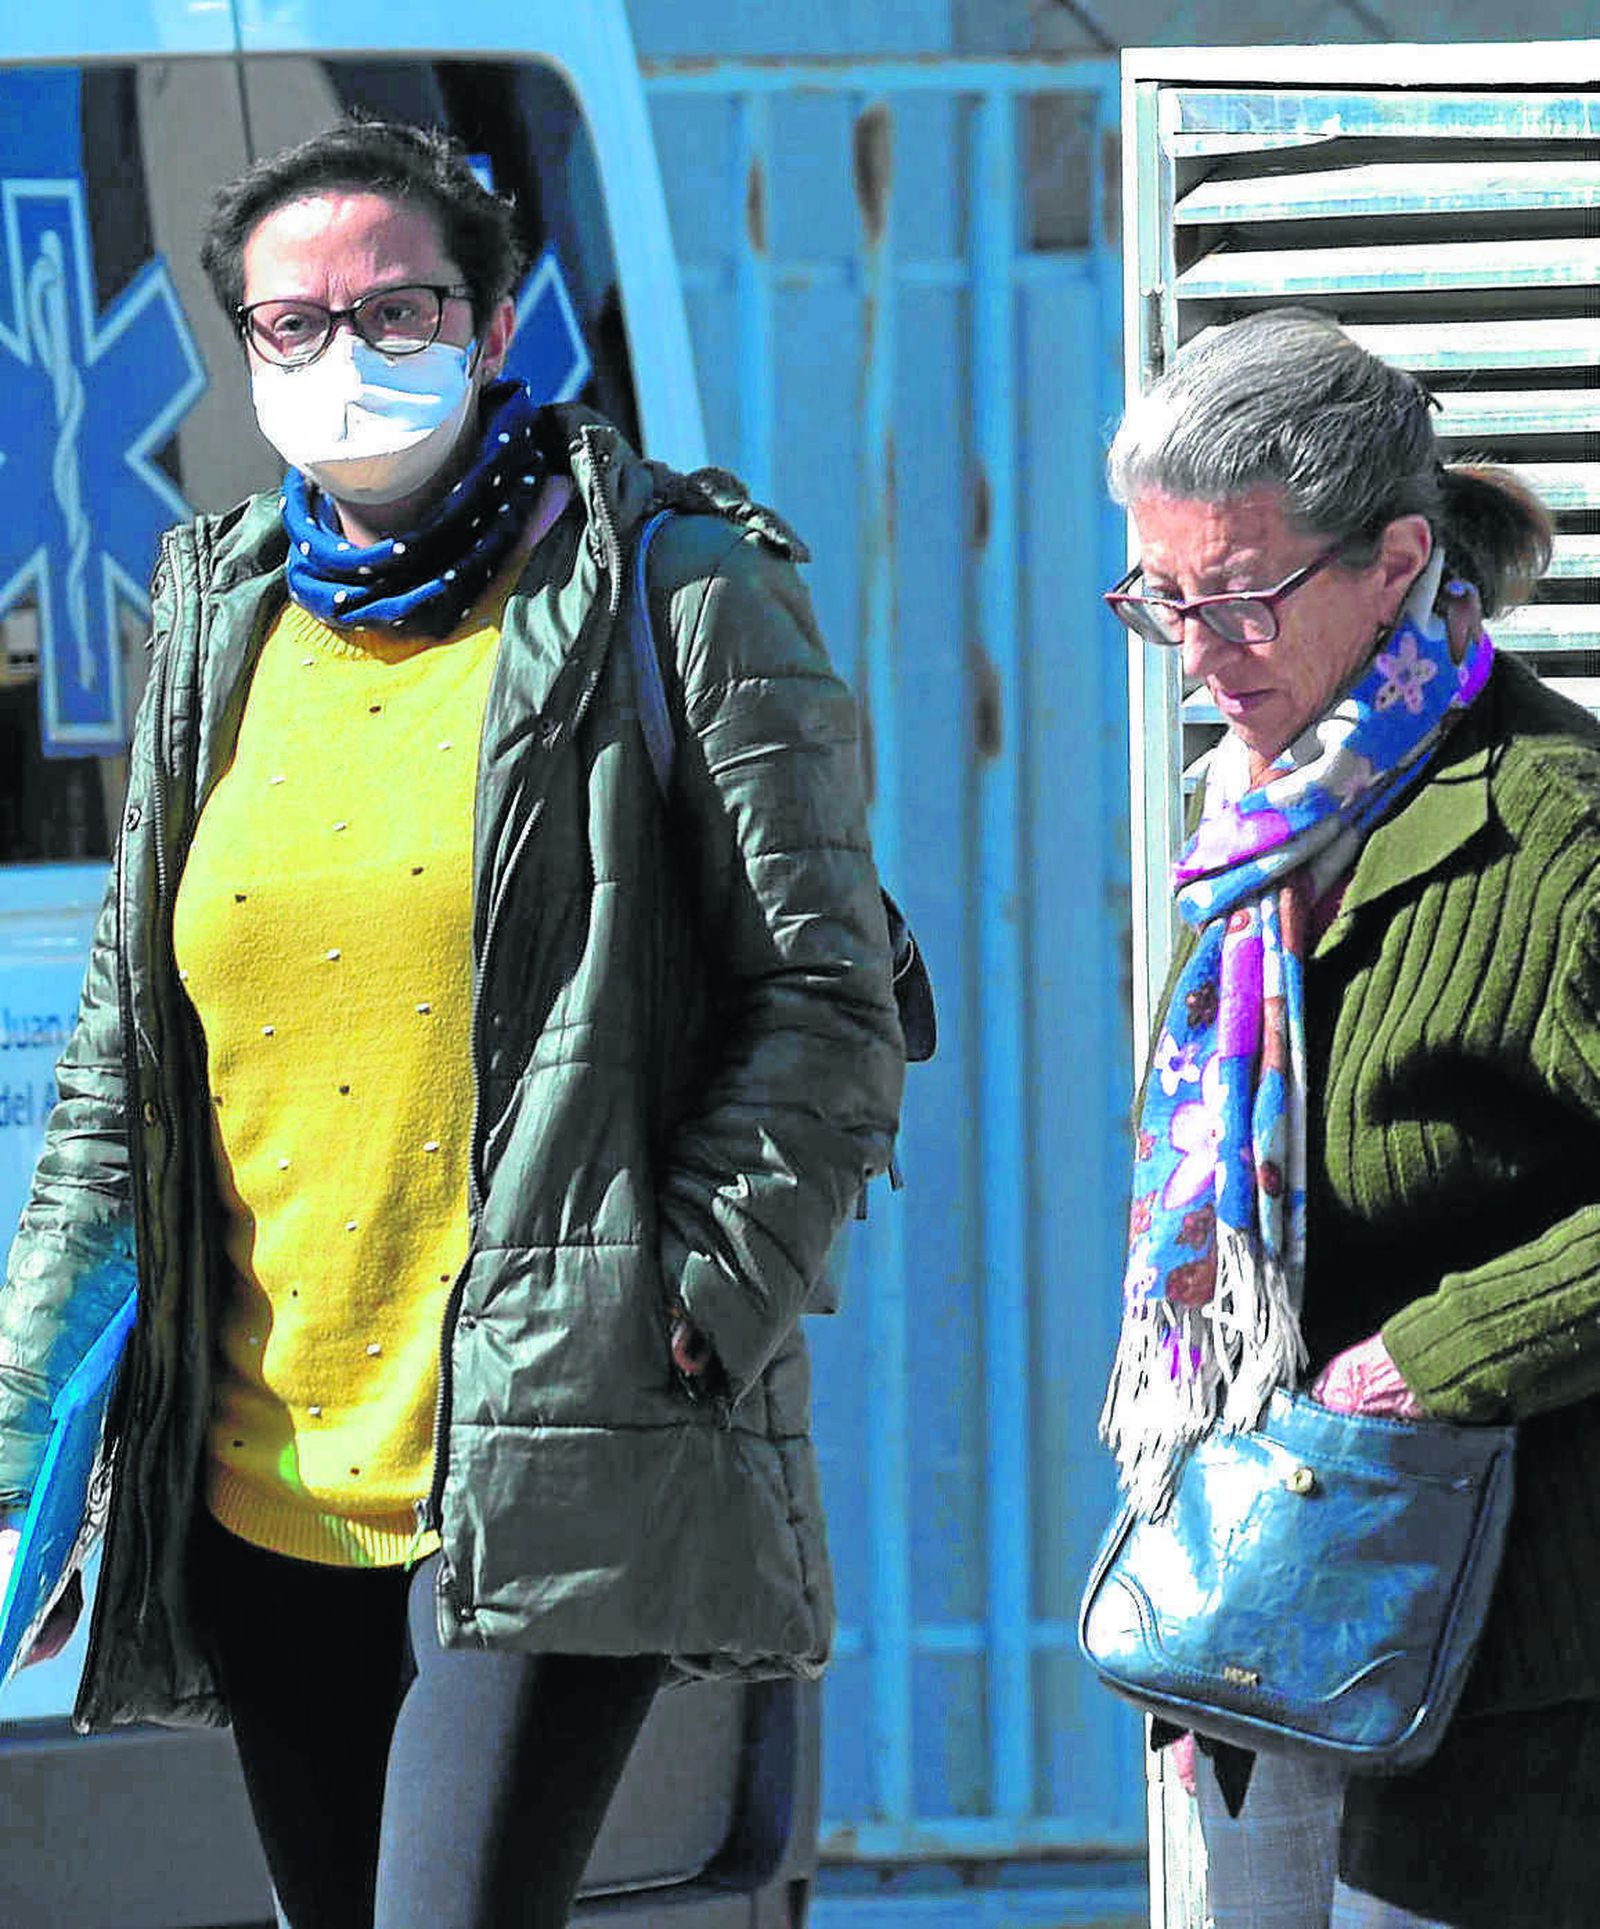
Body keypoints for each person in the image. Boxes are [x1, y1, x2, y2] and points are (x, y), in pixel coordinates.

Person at [0, 119, 905, 1929]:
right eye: (294, 322)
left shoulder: (677, 586)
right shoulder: (218, 616)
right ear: (244, 349)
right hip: (262, 1477)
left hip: (550, 1441)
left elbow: (828, 995)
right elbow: (120, 1066)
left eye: (398, 308)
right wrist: (26, 1406)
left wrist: (681, 1311)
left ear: (495, 326)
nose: (346, 354)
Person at [1097, 308, 1600, 1929]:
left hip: (1525, 1674)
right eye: (1160, 601)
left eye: (1239, 598)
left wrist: (1435, 1356)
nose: (1198, 653)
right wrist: (1210, 1571)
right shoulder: (1256, 836)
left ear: (1396, 562)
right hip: (1285, 1630)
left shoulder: (1553, 827)